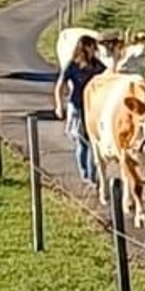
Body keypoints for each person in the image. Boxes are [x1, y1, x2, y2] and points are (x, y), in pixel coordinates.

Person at [53, 34, 106, 184]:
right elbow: (59, 86)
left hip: (93, 108)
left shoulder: (97, 65)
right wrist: (59, 105)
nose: (94, 51)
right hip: (77, 106)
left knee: (92, 142)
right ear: (85, 47)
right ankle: (86, 174)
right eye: (92, 47)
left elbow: (109, 76)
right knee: (83, 142)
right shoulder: (73, 65)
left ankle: (92, 175)